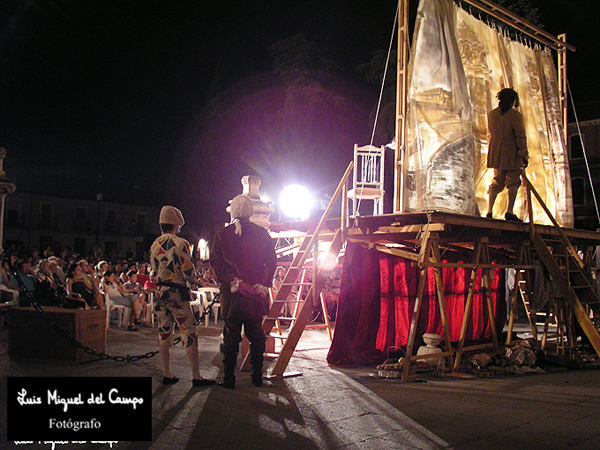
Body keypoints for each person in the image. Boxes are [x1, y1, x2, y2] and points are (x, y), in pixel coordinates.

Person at [210, 194, 277, 389]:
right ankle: (257, 377)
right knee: (256, 335)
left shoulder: (223, 234)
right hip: (255, 296)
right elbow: (271, 261)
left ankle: (229, 378)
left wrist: (234, 281)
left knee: (231, 336)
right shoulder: (262, 234)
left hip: (232, 296)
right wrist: (261, 284)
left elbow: (216, 262)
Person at [150, 205, 214, 387]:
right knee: (189, 331)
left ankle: (167, 373)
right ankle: (196, 376)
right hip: (176, 293)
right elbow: (188, 272)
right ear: (176, 224)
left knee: (164, 332)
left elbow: (153, 272)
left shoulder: (154, 244)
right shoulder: (181, 244)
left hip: (160, 293)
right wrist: (194, 280)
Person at [486, 88, 530, 222]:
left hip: (496, 150)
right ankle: (509, 211)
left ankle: (489, 211)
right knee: (513, 180)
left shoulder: (492, 114)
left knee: (497, 180)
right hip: (511, 151)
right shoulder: (514, 115)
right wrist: (524, 154)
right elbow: (520, 136)